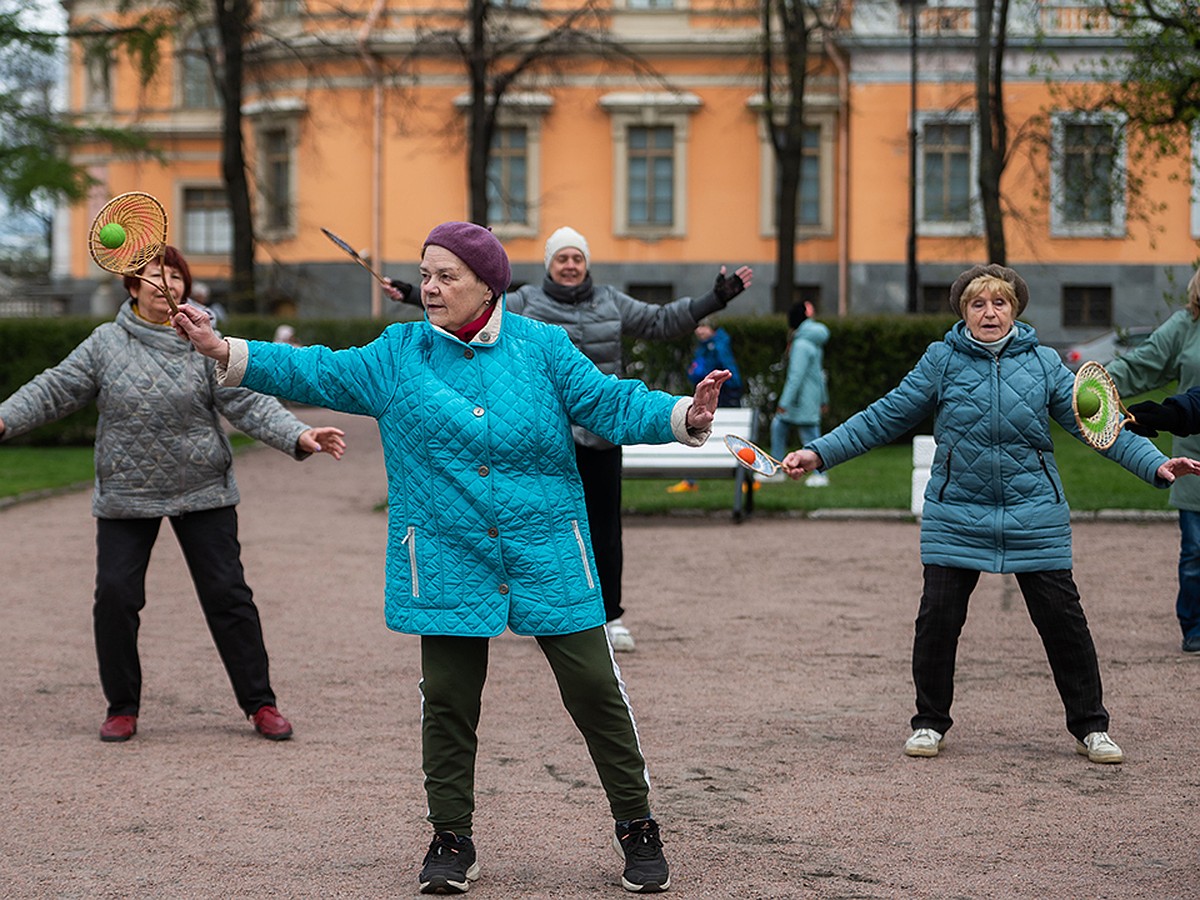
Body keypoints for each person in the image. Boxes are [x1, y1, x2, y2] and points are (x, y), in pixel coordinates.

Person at [171, 221, 730, 895]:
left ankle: (637, 828)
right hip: (444, 555)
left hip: (548, 545)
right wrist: (220, 346)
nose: (430, 289)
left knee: (594, 690)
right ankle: (451, 840)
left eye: (446, 277)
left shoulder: (545, 347)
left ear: (487, 284)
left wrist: (683, 416)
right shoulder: (397, 352)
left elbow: (609, 402)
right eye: (426, 274)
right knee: (447, 701)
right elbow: (312, 367)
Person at [781, 264, 1200, 765]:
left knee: (1065, 623)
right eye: (978, 304)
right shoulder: (941, 360)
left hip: (1034, 512)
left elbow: (1100, 427)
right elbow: (883, 415)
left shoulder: (1045, 364)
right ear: (964, 312)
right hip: (956, 511)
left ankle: (1092, 727)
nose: (989, 312)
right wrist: (818, 453)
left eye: (999, 303)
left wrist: (1156, 463)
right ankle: (929, 722)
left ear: (1014, 310)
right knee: (937, 619)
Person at [0, 246, 347, 744]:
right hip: (127, 491)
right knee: (116, 598)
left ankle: (261, 704)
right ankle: (122, 707)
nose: (171, 283)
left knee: (229, 597)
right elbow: (54, 388)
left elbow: (246, 401)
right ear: (133, 286)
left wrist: (298, 434)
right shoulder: (105, 343)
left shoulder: (201, 342)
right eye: (157, 274)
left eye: (178, 276)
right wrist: (6, 417)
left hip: (203, 488)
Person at [507, 225, 753, 652]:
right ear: (549, 264)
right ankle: (551, 612)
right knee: (544, 527)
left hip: (601, 433)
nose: (570, 265)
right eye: (562, 258)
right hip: (547, 436)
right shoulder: (526, 302)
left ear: (586, 264)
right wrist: (423, 289)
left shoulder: (609, 300)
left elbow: (660, 321)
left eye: (577, 258)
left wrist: (715, 299)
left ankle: (610, 615)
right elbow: (477, 306)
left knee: (605, 528)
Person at [1104, 267, 1200, 654]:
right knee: (1195, 551)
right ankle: (1194, 627)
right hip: (1195, 455)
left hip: (1186, 417)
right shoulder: (1186, 325)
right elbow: (1140, 365)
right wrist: (1091, 385)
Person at [770, 300, 830, 486]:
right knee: (787, 429)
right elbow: (818, 375)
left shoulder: (801, 343)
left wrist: (783, 403)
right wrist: (823, 399)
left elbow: (796, 376)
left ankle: (819, 475)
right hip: (809, 397)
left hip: (799, 399)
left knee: (808, 436)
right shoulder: (813, 340)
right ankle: (777, 470)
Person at [688, 316, 743, 408]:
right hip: (709, 387)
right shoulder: (703, 346)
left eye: (703, 327)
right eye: (697, 327)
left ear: (712, 328)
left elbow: (724, 366)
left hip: (724, 389)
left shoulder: (718, 346)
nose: (698, 331)